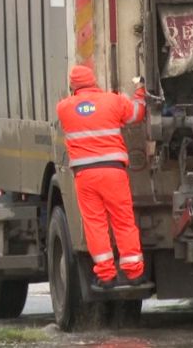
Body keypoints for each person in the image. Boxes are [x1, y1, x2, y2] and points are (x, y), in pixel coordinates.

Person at [56, 65, 147, 290]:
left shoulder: (64, 108)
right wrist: (141, 92)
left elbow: (80, 112)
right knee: (123, 220)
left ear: (73, 86)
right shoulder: (112, 101)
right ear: (94, 81)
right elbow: (137, 114)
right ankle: (134, 273)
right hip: (113, 172)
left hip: (85, 176)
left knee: (95, 224)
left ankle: (106, 276)